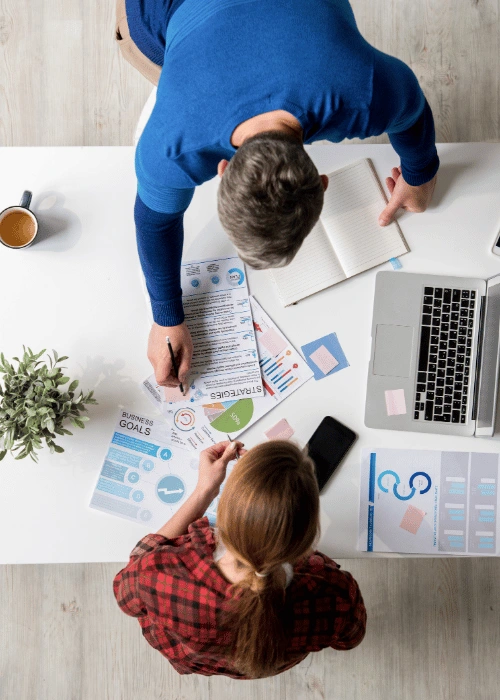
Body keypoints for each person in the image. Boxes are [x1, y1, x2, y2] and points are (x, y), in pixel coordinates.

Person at [115, 0, 439, 392]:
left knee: (180, 63)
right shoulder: (169, 144)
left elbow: (414, 110)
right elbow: (154, 221)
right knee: (168, 56)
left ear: (221, 170)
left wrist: (421, 175)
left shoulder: (363, 89)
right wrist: (164, 317)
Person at [113, 440, 366, 679]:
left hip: (195, 659)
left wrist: (204, 491)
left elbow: (124, 595)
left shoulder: (159, 575)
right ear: (308, 536)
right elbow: (350, 639)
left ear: (223, 514)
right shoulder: (334, 594)